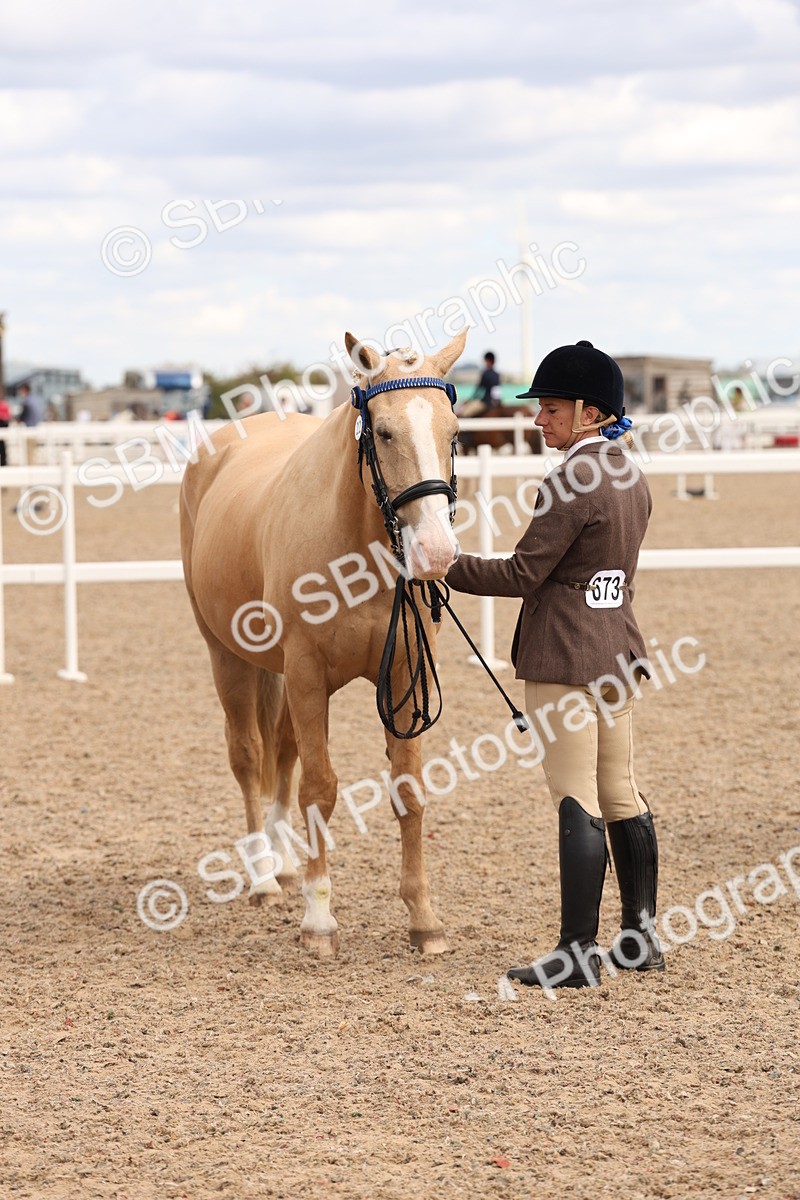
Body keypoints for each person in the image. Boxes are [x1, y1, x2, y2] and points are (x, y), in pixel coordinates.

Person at [445, 339, 663, 989]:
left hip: (563, 656)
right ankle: (640, 937)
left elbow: (522, 573)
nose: (538, 418)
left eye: (549, 408)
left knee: (577, 798)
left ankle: (576, 953)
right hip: (616, 652)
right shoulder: (631, 473)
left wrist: (442, 564)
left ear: (589, 413)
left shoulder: (572, 475)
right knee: (621, 791)